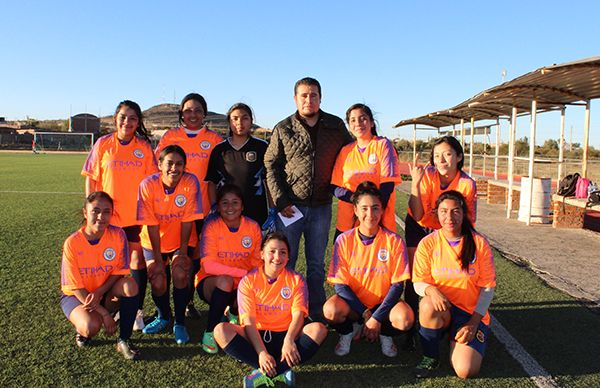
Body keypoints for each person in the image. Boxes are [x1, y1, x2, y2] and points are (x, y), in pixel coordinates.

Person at [264, 77, 352, 321]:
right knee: (286, 261)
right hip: (290, 206)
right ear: (295, 99)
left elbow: (352, 153)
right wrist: (281, 200)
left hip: (322, 206)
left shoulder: (335, 126)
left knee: (315, 264)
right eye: (303, 95)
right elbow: (271, 165)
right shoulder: (283, 128)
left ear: (320, 98)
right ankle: (283, 310)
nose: (308, 99)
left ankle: (315, 313)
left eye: (313, 95)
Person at [214, 232, 328, 387]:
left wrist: (289, 340)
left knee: (318, 329)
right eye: (272, 251)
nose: (277, 257)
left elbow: (298, 316)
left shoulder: (296, 280)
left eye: (283, 252)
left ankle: (271, 371)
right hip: (257, 338)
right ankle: (274, 369)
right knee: (221, 331)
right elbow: (248, 322)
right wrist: (261, 353)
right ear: (262, 254)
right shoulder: (248, 281)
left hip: (287, 336)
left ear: (288, 257)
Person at [81, 100, 158, 331]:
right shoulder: (104, 144)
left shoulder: (143, 147)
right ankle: (106, 306)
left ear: (138, 122)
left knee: (136, 262)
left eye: (133, 118)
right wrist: (91, 211)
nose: (127, 122)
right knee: (108, 263)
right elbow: (91, 178)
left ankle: (136, 311)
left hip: (134, 217)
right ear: (116, 119)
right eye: (123, 117)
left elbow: (151, 181)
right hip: (107, 218)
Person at [324, 181, 413, 357]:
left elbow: (397, 286)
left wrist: (377, 317)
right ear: (356, 210)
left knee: (405, 319)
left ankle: (385, 334)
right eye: (364, 208)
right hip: (354, 306)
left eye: (375, 208)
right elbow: (340, 286)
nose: (369, 214)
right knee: (330, 310)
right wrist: (366, 314)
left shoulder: (394, 241)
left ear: (382, 210)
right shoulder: (343, 240)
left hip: (384, 303)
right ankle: (348, 331)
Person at [412, 190, 495, 379]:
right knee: (427, 304)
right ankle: (430, 356)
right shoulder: (428, 243)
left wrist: (474, 323)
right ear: (436, 214)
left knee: (466, 371)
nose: (449, 217)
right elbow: (418, 282)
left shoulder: (478, 243)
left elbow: (488, 287)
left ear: (464, 213)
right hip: (443, 309)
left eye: (455, 211)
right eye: (443, 211)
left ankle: (456, 339)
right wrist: (431, 290)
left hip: (469, 315)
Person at [404, 135, 477, 348]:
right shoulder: (427, 176)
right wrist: (415, 183)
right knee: (413, 276)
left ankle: (446, 320)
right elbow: (418, 215)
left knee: (449, 273)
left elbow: (467, 222)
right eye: (437, 156)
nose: (442, 160)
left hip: (450, 230)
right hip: (420, 226)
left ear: (459, 156)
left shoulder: (466, 184)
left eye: (447, 154)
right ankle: (412, 329)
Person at [155, 93, 222, 319]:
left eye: (197, 110)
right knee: (168, 258)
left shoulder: (213, 139)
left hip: (202, 210)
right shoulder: (171, 136)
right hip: (173, 210)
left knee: (193, 258)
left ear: (204, 113)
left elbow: (220, 174)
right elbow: (159, 168)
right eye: (188, 110)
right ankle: (163, 310)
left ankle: (187, 302)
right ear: (181, 113)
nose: (192, 114)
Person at [60, 191, 140, 359]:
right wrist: (104, 314)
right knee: (91, 326)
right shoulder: (72, 243)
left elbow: (119, 272)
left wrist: (100, 291)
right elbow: (76, 288)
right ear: (85, 212)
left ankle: (124, 339)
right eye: (95, 211)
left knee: (130, 285)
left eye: (106, 212)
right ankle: (83, 332)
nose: (101, 216)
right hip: (77, 296)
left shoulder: (118, 234)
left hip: (104, 291)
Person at [136, 145, 203, 345]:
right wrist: (157, 258)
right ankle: (164, 316)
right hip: (153, 240)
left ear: (185, 166)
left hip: (180, 240)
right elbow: (152, 224)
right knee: (157, 279)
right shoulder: (147, 185)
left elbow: (187, 220)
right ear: (160, 165)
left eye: (179, 164)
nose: (174, 168)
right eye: (170, 163)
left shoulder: (190, 182)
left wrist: (182, 252)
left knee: (181, 273)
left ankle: (180, 322)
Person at [194, 184, 262, 354]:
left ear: (242, 206)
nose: (230, 207)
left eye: (235, 203)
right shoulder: (212, 226)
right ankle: (209, 332)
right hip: (212, 282)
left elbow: (257, 262)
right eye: (225, 203)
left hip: (242, 282)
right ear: (218, 206)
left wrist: (251, 279)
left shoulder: (252, 227)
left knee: (254, 284)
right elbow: (209, 265)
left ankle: (233, 310)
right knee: (226, 281)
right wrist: (243, 274)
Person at [331, 103, 401, 237]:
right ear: (349, 125)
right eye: (352, 120)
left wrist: (372, 211)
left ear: (372, 123)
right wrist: (355, 200)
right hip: (347, 223)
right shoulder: (345, 151)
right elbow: (334, 186)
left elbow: (387, 185)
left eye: (362, 118)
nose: (358, 123)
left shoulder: (383, 145)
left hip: (376, 222)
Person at [205, 103, 270, 226]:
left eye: (245, 118)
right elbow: (212, 182)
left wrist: (272, 209)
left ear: (251, 121)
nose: (240, 122)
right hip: (228, 213)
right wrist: (214, 206)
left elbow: (269, 181)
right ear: (229, 122)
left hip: (256, 212)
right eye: (235, 118)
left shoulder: (262, 147)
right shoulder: (219, 150)